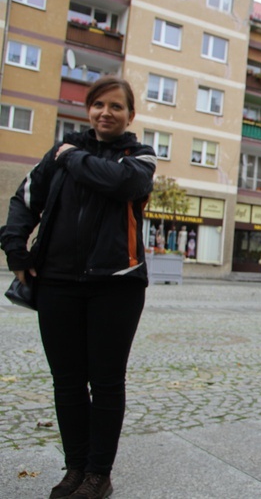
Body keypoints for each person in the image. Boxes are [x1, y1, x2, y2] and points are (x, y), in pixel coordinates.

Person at [0, 76, 156, 499]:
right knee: (66, 382)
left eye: (116, 107)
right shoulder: (59, 154)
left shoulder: (139, 157)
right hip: (57, 284)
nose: (106, 112)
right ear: (88, 109)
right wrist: (16, 253)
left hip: (117, 286)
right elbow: (24, 200)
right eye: (98, 105)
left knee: (105, 382)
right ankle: (75, 469)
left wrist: (70, 157)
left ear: (130, 115)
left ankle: (98, 474)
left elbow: (123, 184)